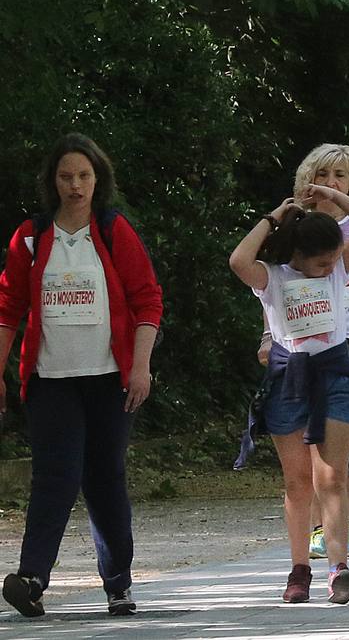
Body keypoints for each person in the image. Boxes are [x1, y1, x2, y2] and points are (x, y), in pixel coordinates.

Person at [0, 135, 162, 619]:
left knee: (105, 478)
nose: (75, 186)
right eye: (66, 176)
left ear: (98, 180)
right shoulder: (30, 236)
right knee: (54, 477)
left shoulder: (113, 231)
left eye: (84, 176)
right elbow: (8, 307)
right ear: (53, 181)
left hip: (109, 378)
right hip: (51, 380)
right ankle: (32, 578)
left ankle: (118, 583)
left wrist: (140, 366)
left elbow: (147, 299)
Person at [231, 181, 349, 605]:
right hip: (289, 378)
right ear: (298, 256)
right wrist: (273, 217)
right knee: (298, 482)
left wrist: (335, 199)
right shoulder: (273, 279)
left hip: (334, 373)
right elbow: (239, 259)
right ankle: (300, 569)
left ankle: (339, 567)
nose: (329, 266)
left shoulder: (337, 270)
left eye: (334, 258)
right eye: (320, 261)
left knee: (331, 476)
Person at [285, 144, 349, 562]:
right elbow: (273, 290)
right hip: (300, 345)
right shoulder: (291, 228)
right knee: (309, 437)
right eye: (323, 175)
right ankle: (316, 526)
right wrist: (265, 338)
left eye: (340, 177)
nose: (331, 184)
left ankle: (344, 519)